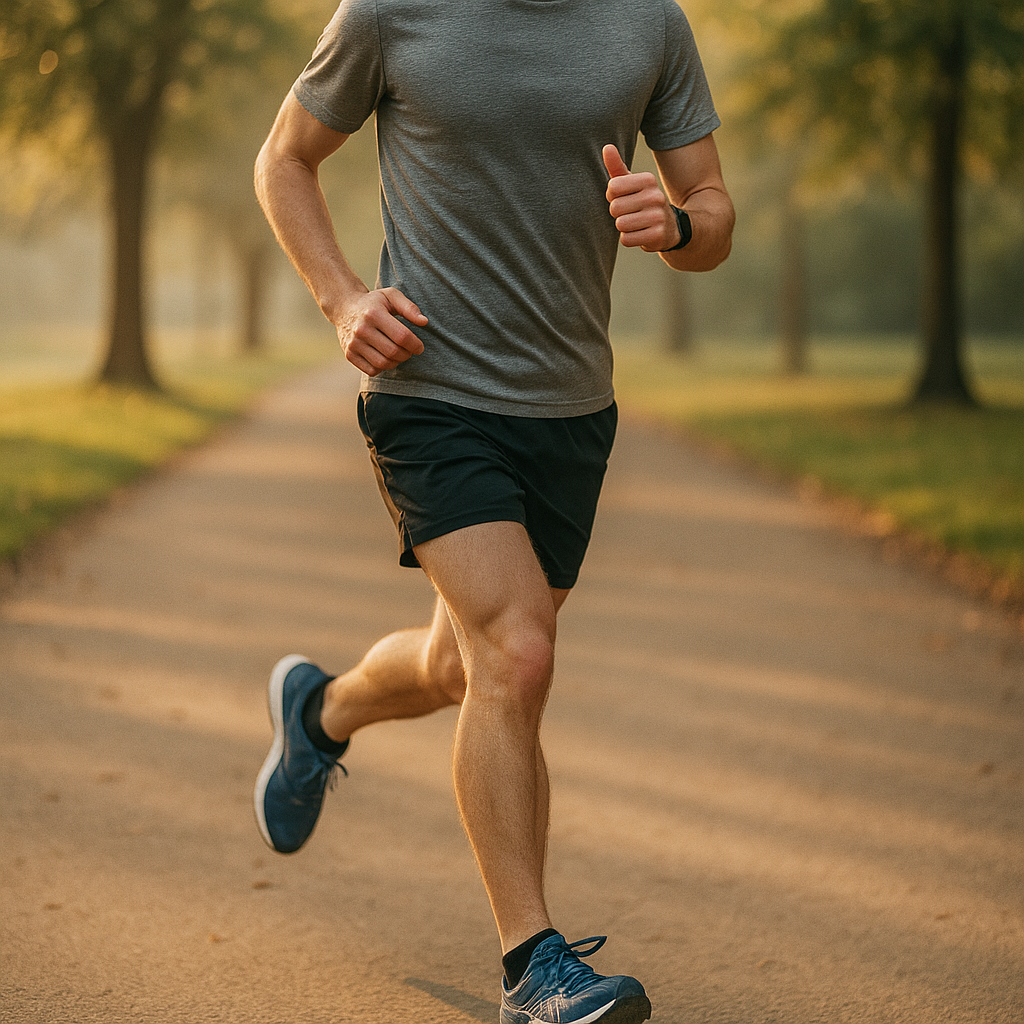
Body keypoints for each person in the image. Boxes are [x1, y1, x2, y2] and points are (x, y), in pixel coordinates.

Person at [252, 0, 734, 1020]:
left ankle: (319, 710)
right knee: (515, 650)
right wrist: (342, 297)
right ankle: (534, 966)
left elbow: (713, 211)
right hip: (430, 392)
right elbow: (285, 157)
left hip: (569, 411)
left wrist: (679, 226)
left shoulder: (646, 21)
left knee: (454, 666)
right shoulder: (390, 10)